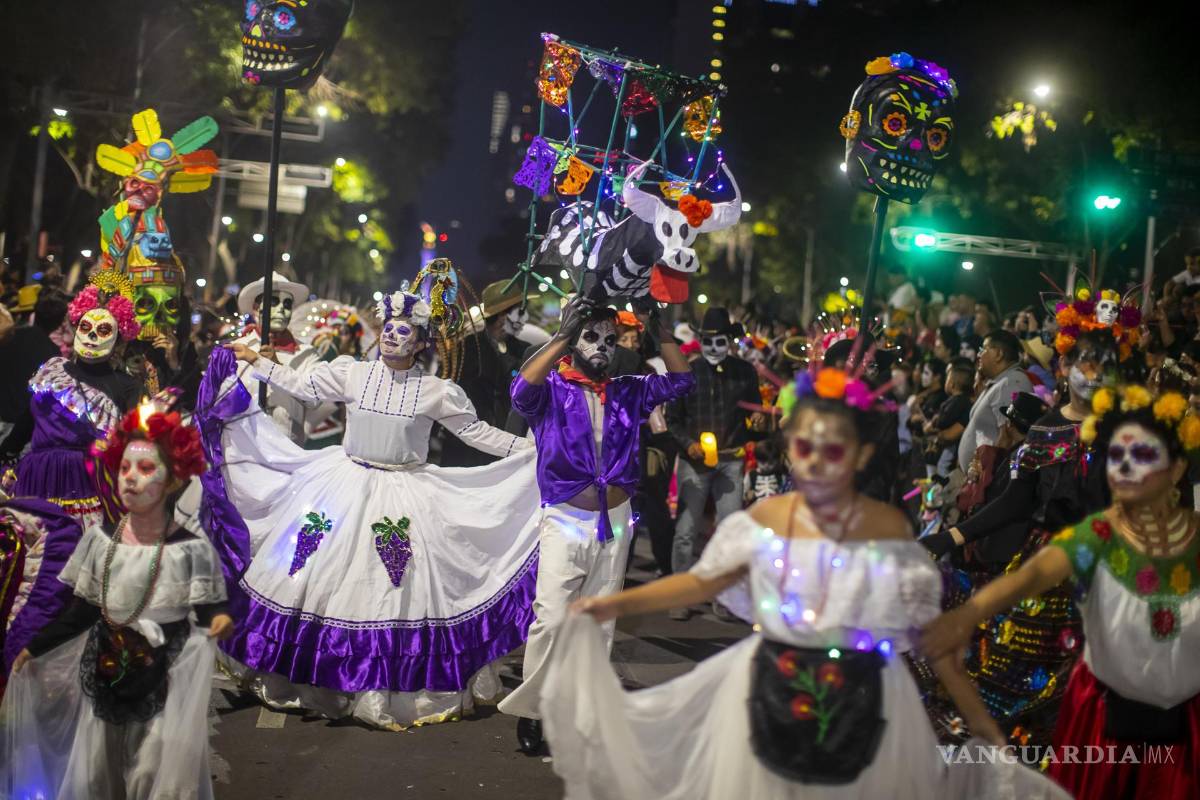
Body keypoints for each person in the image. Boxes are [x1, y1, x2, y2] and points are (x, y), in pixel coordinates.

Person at [539, 366, 1068, 799]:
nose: (816, 462)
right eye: (804, 447)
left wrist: (987, 732)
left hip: (865, 709)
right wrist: (607, 605)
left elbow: (937, 645)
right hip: (771, 698)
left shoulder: (888, 530)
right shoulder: (766, 518)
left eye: (833, 449)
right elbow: (701, 583)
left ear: (860, 455)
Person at [207, 284, 543, 730]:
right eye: (388, 328)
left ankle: (379, 686)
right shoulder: (352, 374)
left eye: (404, 331)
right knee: (301, 571)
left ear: (420, 342)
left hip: (405, 495)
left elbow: (477, 433)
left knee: (392, 586)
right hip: (341, 485)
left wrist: (532, 450)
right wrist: (257, 361)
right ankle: (307, 675)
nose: (392, 336)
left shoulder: (436, 391)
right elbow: (298, 382)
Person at [922, 385, 1200, 798]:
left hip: (1181, 730)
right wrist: (967, 611)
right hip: (1105, 719)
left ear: (1177, 469)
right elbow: (1034, 574)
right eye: (1119, 460)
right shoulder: (1098, 533)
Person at [1, 398, 232, 799]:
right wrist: (34, 648)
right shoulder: (99, 541)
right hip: (106, 674)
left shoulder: (189, 549)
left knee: (151, 776)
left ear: (172, 480)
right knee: (98, 777)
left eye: (145, 469)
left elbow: (206, 608)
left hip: (163, 680)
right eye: (124, 468)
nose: (130, 479)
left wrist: (217, 620)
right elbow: (82, 610)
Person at [497, 296, 693, 754]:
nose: (602, 346)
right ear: (574, 343)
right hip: (565, 517)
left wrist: (660, 331)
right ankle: (535, 711)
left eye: (609, 338)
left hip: (619, 520)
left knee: (599, 620)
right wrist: (564, 333)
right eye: (592, 337)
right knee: (551, 617)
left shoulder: (630, 388)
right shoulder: (554, 389)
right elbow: (519, 392)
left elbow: (683, 381)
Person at [922, 331, 1118, 747]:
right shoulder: (1045, 429)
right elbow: (1015, 501)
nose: (1091, 373)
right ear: (1063, 367)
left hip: (1105, 568)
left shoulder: (1122, 431)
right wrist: (954, 535)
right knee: (1019, 669)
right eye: (1082, 362)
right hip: (1043, 567)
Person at [667, 307, 762, 595]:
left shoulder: (745, 373)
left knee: (729, 532)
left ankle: (725, 596)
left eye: (719, 341)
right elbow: (673, 419)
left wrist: (757, 421)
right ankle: (680, 594)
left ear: (729, 342)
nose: (714, 348)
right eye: (708, 342)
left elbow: (754, 414)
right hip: (694, 463)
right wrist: (689, 444)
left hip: (731, 461)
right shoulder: (689, 372)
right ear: (701, 341)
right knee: (685, 531)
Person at [439, 277, 538, 467]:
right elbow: (443, 388)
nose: (525, 320)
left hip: (507, 445)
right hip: (466, 447)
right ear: (501, 315)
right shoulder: (467, 348)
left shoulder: (524, 350)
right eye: (521, 312)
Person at [0, 290, 67, 454]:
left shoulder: (9, 336)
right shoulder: (53, 354)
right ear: (59, 322)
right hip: (22, 433)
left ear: (35, 312)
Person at [957, 330, 1033, 474]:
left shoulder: (1010, 383)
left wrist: (987, 472)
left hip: (992, 478)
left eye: (983, 349)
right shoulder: (1000, 382)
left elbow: (1009, 437)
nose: (979, 355)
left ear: (998, 354)